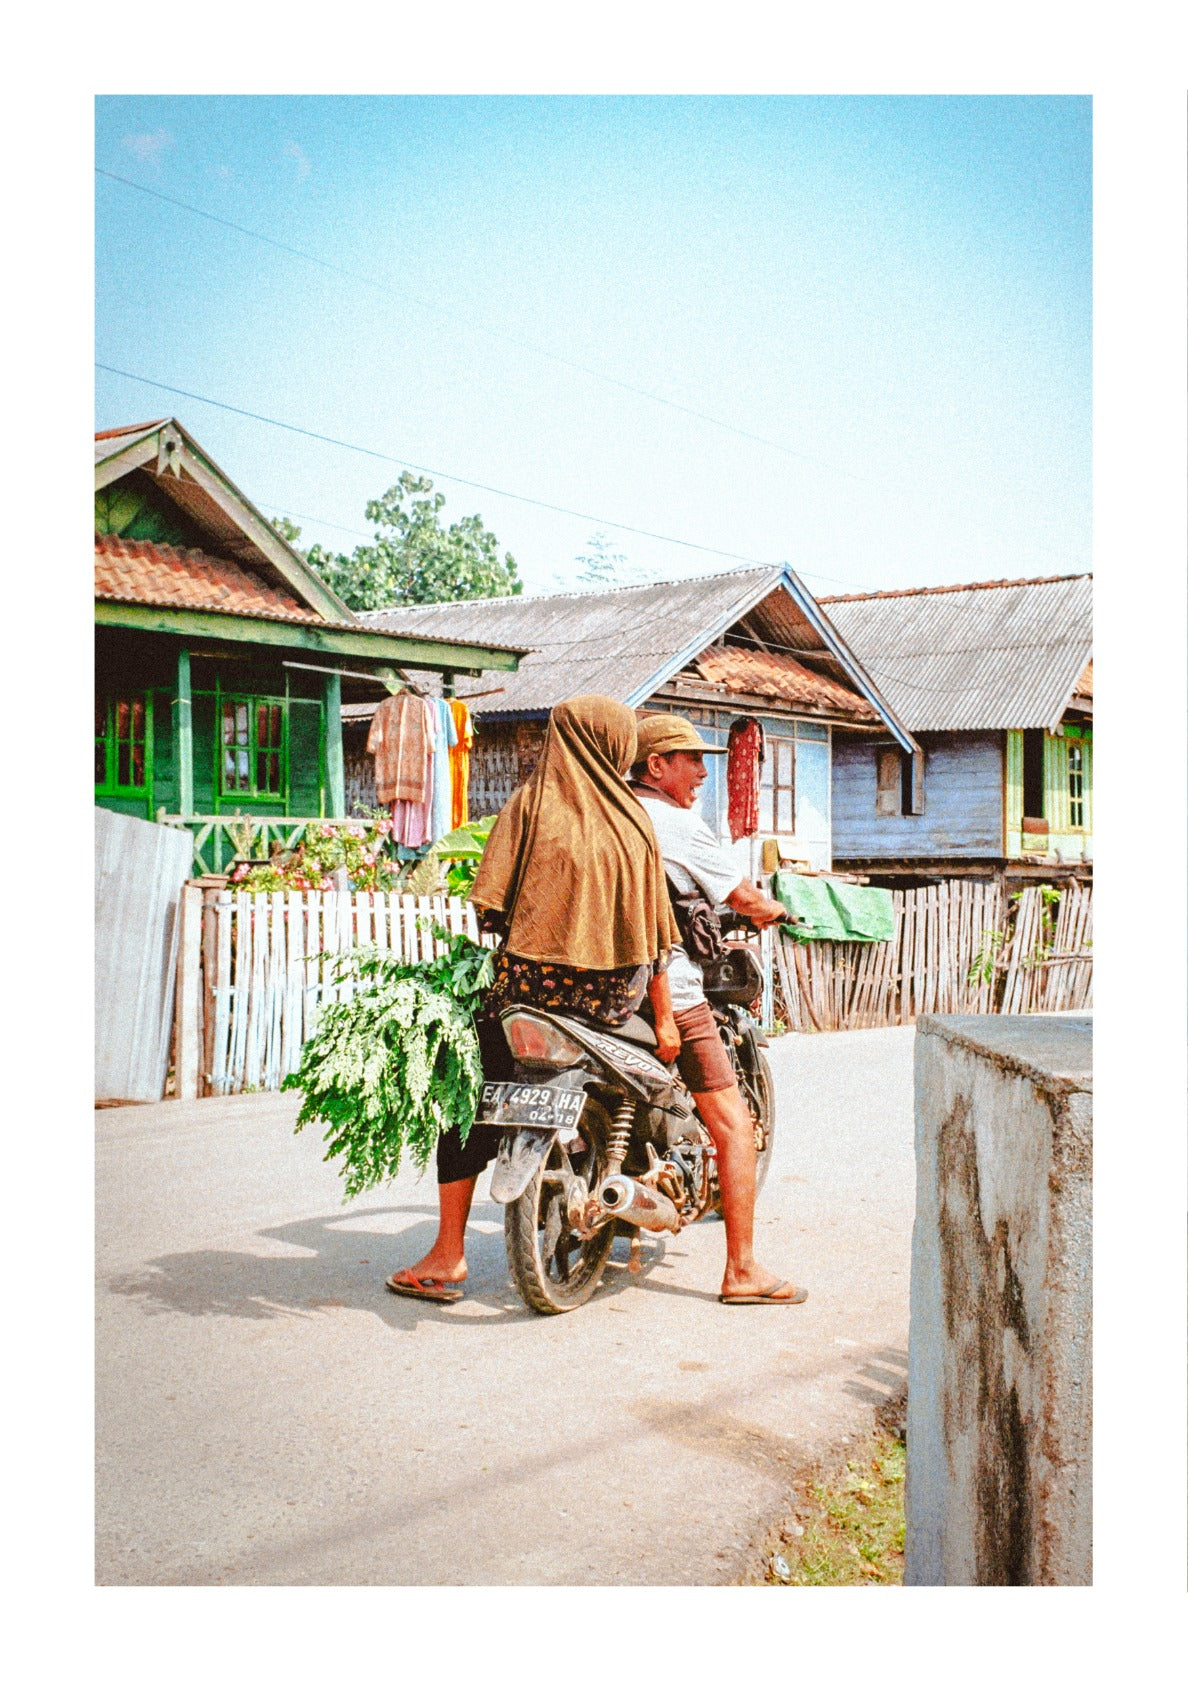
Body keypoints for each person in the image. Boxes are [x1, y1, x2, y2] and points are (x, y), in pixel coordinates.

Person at [386, 695, 682, 1302]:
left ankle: (447, 1253)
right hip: (609, 1009)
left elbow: (490, 908)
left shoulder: (531, 803)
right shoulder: (633, 820)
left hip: (527, 1000)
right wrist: (669, 1018)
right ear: (617, 744)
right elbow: (657, 939)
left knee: (466, 1097)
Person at [630, 712, 808, 1306]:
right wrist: (774, 911)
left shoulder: (609, 813)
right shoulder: (674, 822)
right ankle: (741, 1270)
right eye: (690, 759)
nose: (703, 773)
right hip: (664, 986)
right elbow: (740, 895)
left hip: (591, 990)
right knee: (734, 1126)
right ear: (656, 766)